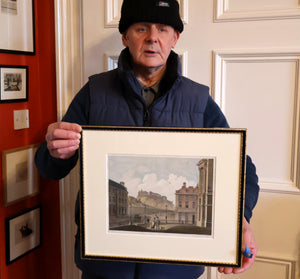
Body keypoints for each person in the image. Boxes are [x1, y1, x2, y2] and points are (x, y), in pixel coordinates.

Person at [35, 0, 259, 278]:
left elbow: (242, 169)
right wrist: (54, 151)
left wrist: (242, 221)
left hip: (175, 269)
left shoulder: (198, 100)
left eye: (163, 29)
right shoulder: (94, 93)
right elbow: (48, 168)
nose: (152, 37)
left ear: (175, 38)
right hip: (104, 265)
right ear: (125, 37)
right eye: (141, 28)